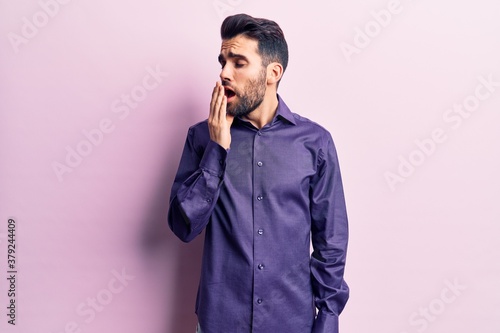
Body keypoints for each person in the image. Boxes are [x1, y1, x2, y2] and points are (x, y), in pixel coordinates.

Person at [168, 13, 349, 333]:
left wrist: (328, 316)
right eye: (223, 61)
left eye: (238, 63)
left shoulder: (314, 143)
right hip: (220, 321)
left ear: (272, 72)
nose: (224, 73)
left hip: (292, 321)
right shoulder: (201, 138)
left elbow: (330, 240)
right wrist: (217, 150)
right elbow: (183, 227)